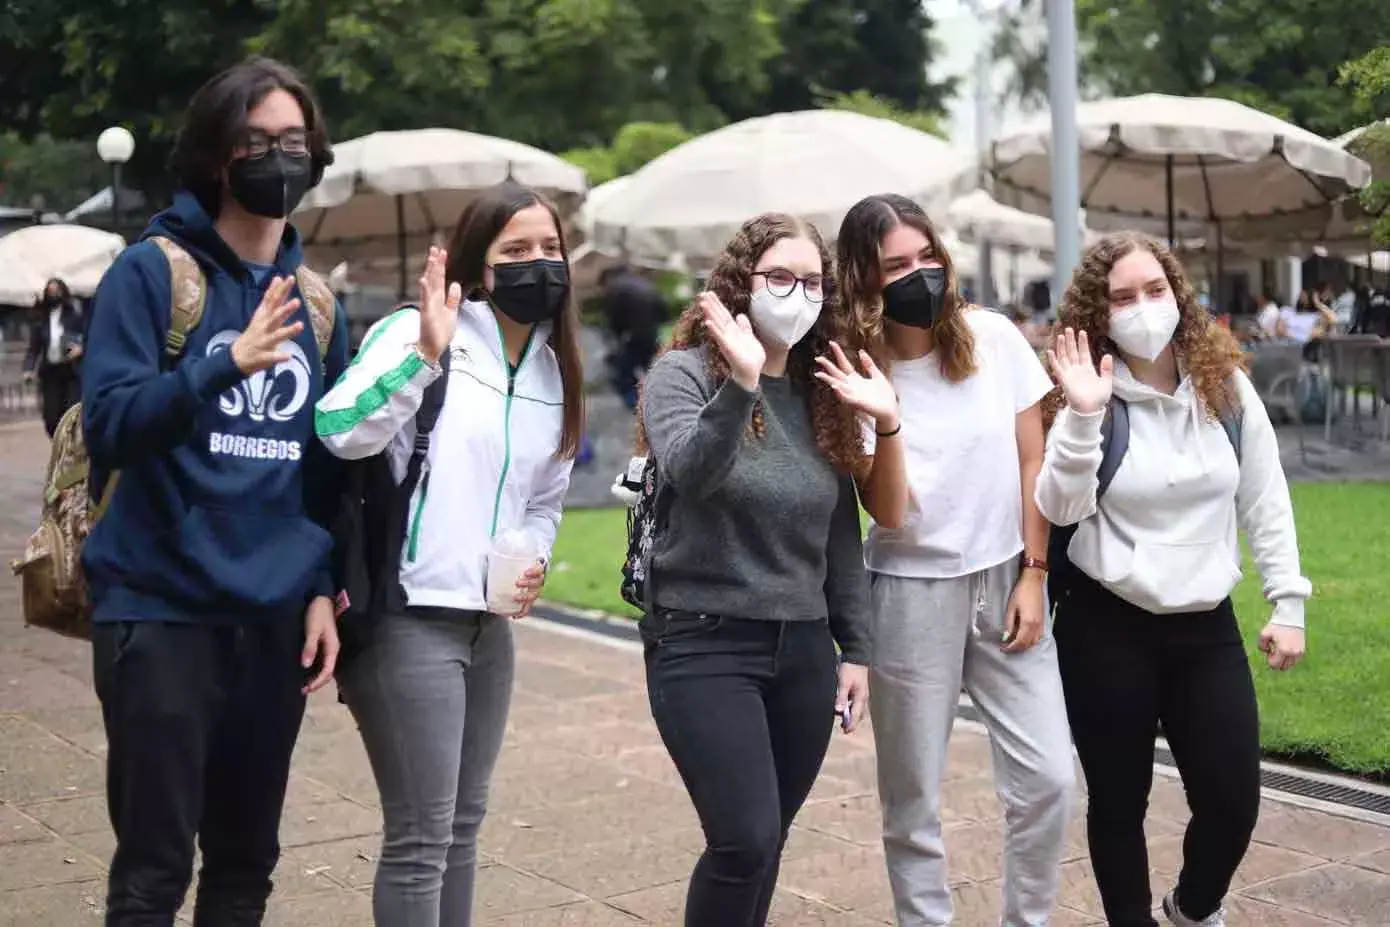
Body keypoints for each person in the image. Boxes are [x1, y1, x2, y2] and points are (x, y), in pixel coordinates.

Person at [80, 57, 348, 926]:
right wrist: (219, 364)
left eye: (294, 141)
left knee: (245, 864)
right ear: (215, 156)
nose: (278, 157)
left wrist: (319, 588)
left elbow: (323, 468)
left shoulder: (315, 306)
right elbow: (110, 424)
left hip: (271, 620)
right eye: (256, 141)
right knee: (154, 869)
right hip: (161, 610)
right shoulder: (151, 274)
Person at [314, 182, 584, 927]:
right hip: (408, 619)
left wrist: (532, 558)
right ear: (480, 263)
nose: (539, 263)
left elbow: (544, 496)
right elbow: (337, 426)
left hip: (488, 626)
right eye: (516, 250)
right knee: (421, 836)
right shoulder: (419, 329)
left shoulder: (551, 370)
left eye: (550, 248)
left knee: (464, 826)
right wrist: (424, 359)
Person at [1037, 231, 1309, 927]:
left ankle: (1191, 908)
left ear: (1178, 294)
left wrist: (1288, 601)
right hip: (1107, 625)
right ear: (1098, 311)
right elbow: (1060, 507)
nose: (1142, 308)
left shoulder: (1224, 386)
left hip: (1203, 624)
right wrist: (1083, 413)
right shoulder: (1084, 392)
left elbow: (1264, 496)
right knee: (1119, 803)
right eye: (1122, 296)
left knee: (1231, 800)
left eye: (1154, 290)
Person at [635, 212, 901, 926]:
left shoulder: (821, 393)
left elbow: (838, 530)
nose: (797, 293)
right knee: (742, 838)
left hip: (805, 649)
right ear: (740, 284)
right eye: (779, 277)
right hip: (703, 640)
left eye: (812, 281)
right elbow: (693, 472)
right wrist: (743, 384)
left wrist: (857, 649)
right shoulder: (682, 374)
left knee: (767, 841)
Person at [834, 193, 1074, 927]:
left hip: (1007, 576)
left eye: (926, 256)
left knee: (1051, 779)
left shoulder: (993, 338)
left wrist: (1035, 572)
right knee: (912, 799)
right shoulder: (856, 375)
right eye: (896, 265)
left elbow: (1035, 455)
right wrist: (886, 416)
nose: (919, 275)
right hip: (908, 595)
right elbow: (891, 512)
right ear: (863, 281)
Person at [23, 277, 85, 436]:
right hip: (50, 373)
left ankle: (69, 450)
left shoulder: (75, 315)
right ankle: (58, 445)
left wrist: (81, 348)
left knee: (71, 415)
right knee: (51, 418)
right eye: (50, 291)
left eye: (56, 291)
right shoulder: (41, 319)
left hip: (71, 371)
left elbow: (88, 336)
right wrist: (28, 369)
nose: (53, 294)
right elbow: (34, 347)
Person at [600, 263, 664, 409]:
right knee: (654, 369)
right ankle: (660, 402)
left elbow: (613, 319)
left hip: (631, 337)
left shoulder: (615, 288)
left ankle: (636, 406)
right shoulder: (646, 285)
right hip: (651, 335)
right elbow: (662, 310)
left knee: (622, 374)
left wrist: (616, 340)